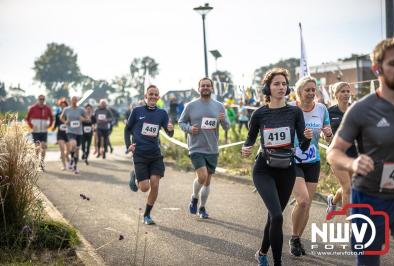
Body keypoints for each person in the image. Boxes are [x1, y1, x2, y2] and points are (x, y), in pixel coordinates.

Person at [327, 37, 394, 266]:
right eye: (393, 63)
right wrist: (352, 164)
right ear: (376, 68)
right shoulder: (362, 109)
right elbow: (334, 152)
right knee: (368, 261)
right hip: (369, 197)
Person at [242, 68, 312, 266]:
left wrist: (306, 139)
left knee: (274, 218)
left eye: (284, 84)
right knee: (277, 216)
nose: (281, 87)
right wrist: (246, 149)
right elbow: (249, 140)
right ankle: (278, 262)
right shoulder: (259, 114)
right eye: (276, 84)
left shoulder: (295, 111)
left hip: (287, 169)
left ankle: (262, 253)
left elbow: (303, 145)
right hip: (264, 169)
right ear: (267, 88)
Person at [289, 76, 333, 257]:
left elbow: (327, 136)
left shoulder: (322, 109)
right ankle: (293, 236)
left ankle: (296, 238)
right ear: (299, 92)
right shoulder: (290, 109)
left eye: (313, 90)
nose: (311, 93)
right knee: (303, 200)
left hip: (312, 160)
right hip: (292, 160)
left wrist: (328, 134)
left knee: (306, 206)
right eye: (307, 90)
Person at [178, 77, 230, 219]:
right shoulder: (191, 105)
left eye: (208, 85)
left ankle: (202, 208)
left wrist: (223, 119)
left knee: (207, 181)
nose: (205, 87)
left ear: (212, 88)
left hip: (212, 148)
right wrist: (189, 129)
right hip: (196, 147)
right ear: (199, 88)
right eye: (203, 86)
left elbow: (227, 126)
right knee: (202, 176)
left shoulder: (219, 106)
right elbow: (181, 122)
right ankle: (194, 197)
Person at [126, 85, 174, 225]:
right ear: (145, 96)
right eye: (150, 94)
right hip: (139, 154)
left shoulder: (162, 113)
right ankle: (134, 173)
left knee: (155, 183)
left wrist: (170, 130)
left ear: (158, 97)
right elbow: (127, 130)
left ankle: (147, 215)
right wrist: (127, 145)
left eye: (155, 94)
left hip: (155, 154)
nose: (153, 96)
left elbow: (169, 132)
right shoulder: (136, 111)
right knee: (144, 187)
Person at [326, 82, 357, 213]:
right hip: (337, 155)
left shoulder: (355, 110)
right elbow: (326, 135)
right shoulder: (329, 112)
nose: (346, 94)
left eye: (347, 91)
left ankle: (332, 201)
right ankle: (351, 226)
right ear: (336, 94)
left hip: (355, 154)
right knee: (348, 188)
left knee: (350, 187)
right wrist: (327, 136)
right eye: (342, 91)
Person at [25, 94, 54, 171]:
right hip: (36, 131)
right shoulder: (33, 108)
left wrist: (49, 125)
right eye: (40, 99)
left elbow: (51, 118)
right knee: (37, 148)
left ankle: (42, 163)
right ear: (38, 99)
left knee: (43, 147)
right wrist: (31, 126)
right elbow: (27, 119)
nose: (41, 100)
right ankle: (35, 163)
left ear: (44, 100)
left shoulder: (47, 108)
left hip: (44, 131)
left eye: (43, 99)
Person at [60, 96, 87, 174]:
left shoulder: (81, 109)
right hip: (70, 131)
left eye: (76, 100)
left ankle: (75, 166)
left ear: (77, 101)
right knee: (73, 144)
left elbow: (87, 118)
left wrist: (83, 119)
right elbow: (61, 117)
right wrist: (65, 122)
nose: (74, 101)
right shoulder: (66, 109)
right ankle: (72, 159)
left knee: (77, 151)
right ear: (71, 101)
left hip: (79, 132)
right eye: (73, 100)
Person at [52, 98, 69, 170]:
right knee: (62, 149)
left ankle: (66, 155)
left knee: (68, 150)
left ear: (66, 106)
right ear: (60, 106)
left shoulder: (69, 114)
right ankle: (64, 165)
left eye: (64, 106)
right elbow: (56, 124)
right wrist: (53, 128)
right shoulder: (57, 115)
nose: (63, 107)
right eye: (61, 106)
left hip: (68, 134)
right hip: (60, 134)